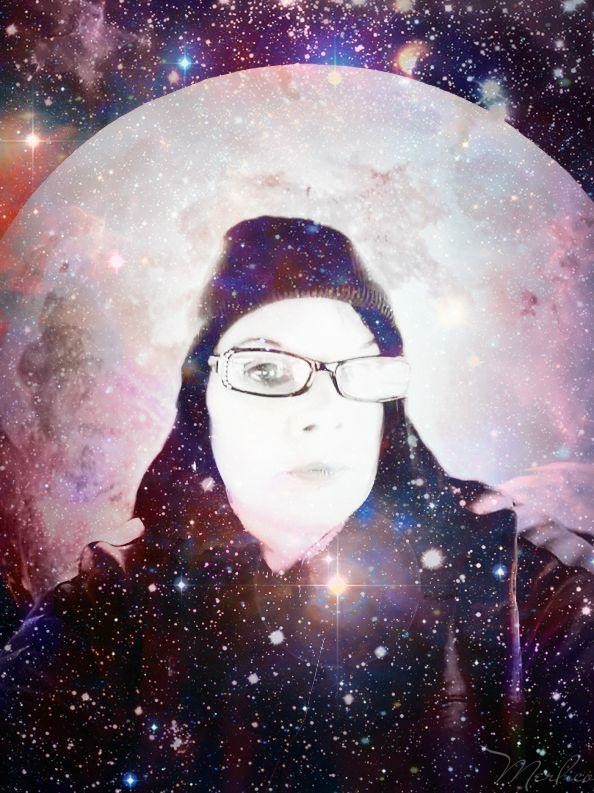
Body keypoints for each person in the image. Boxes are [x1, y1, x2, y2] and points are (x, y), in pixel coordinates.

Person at [0, 217, 592, 792]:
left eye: (360, 368)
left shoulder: (517, 579)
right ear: (201, 400)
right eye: (266, 369)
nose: (324, 414)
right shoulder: (110, 612)